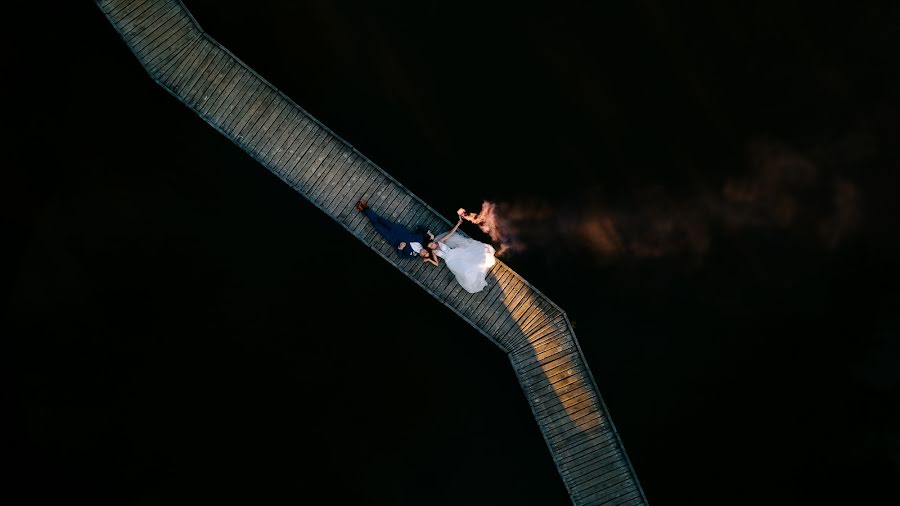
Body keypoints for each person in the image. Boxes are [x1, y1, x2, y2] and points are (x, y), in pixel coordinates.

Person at [423, 210, 496, 293]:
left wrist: (458, 223)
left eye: (431, 244)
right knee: (464, 272)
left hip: (455, 253)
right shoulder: (433, 252)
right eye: (430, 247)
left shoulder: (441, 241)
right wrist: (429, 260)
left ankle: (480, 265)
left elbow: (450, 233)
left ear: (433, 242)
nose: (432, 246)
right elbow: (436, 263)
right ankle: (473, 280)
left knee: (470, 259)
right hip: (450, 261)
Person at [356, 199, 431, 259]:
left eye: (424, 254)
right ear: (426, 249)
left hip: (391, 238)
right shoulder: (421, 239)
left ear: (421, 256)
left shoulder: (412, 256)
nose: (424, 252)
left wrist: (400, 248)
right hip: (396, 229)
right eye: (426, 252)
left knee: (376, 225)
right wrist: (429, 233)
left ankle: (364, 208)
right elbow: (420, 228)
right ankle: (363, 209)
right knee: (379, 219)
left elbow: (400, 256)